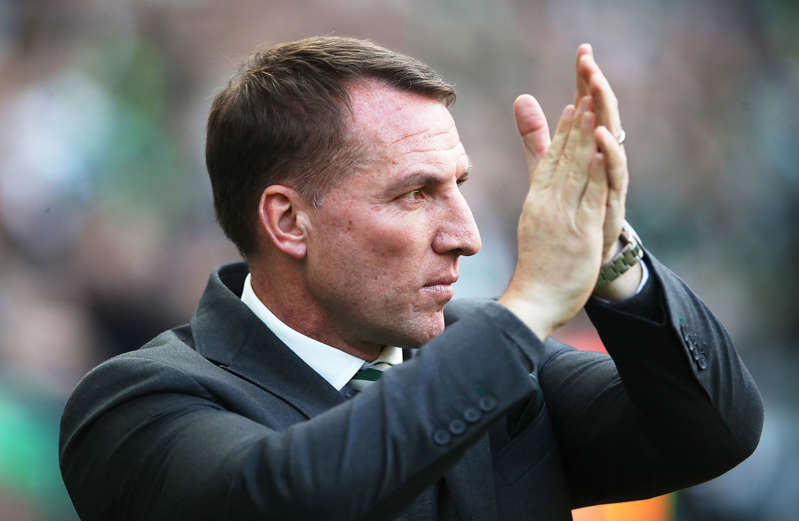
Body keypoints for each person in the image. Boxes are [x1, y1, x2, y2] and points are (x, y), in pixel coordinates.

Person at [58, 36, 763, 521]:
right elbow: (297, 496)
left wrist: (608, 252)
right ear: (288, 221)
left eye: (458, 184)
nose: (467, 235)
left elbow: (712, 430)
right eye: (415, 194)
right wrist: (526, 308)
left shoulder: (494, 362)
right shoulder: (137, 403)